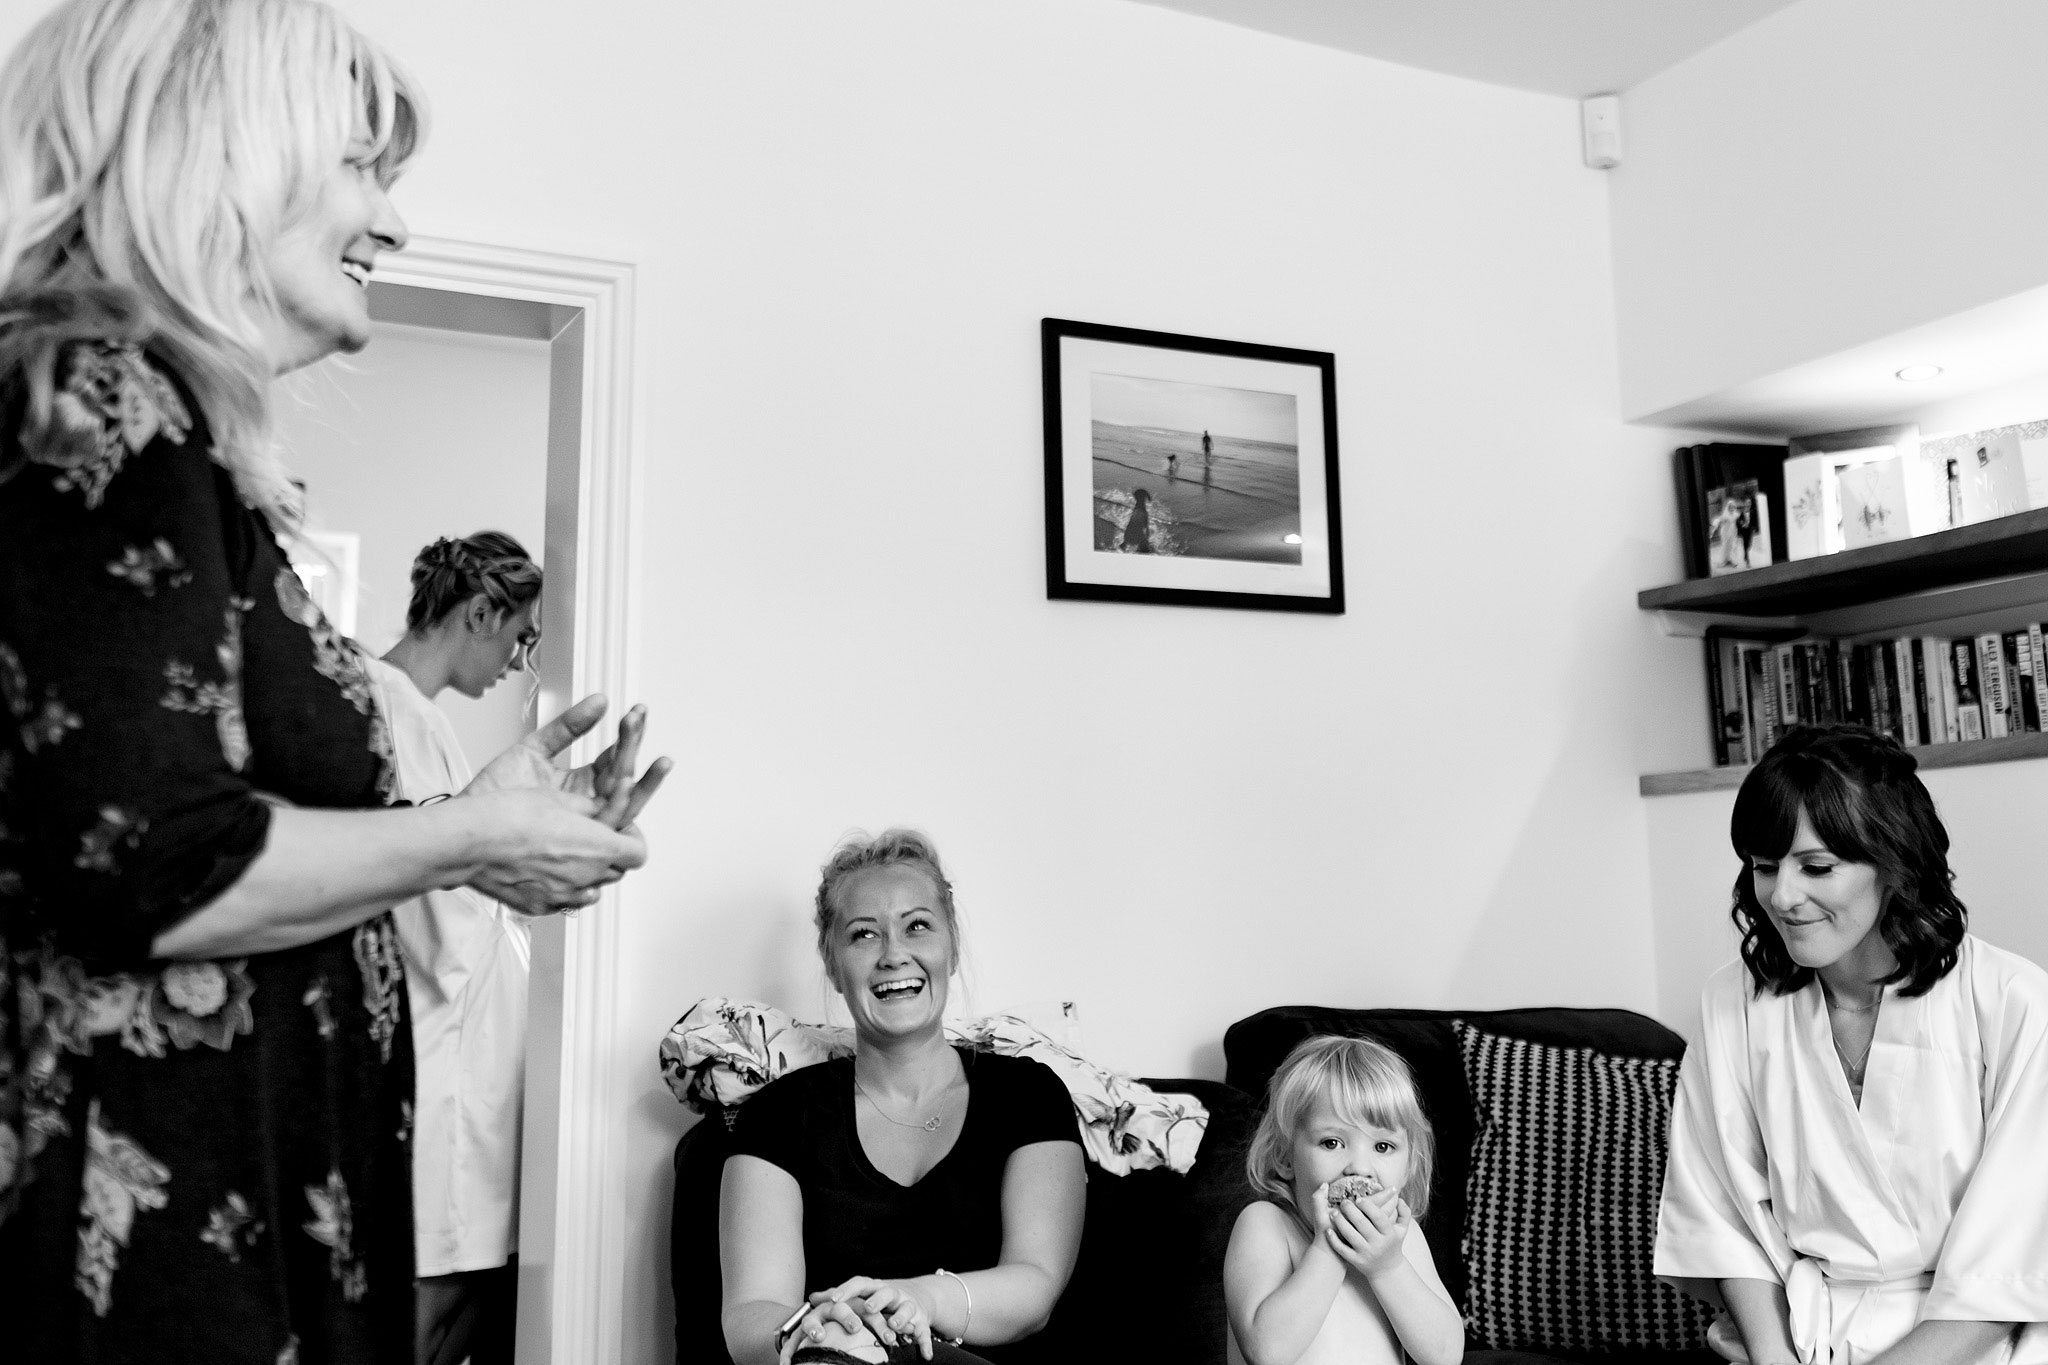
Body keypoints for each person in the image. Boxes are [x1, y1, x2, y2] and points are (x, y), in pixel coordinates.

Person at [0, 3, 668, 1360]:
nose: (395, 222)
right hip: (142, 1245)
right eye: (367, 168)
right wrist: (473, 833)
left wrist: (476, 821)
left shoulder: (183, 443)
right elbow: (151, 861)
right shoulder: (100, 399)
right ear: (228, 150)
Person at [1655, 724, 2048, 1365]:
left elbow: (2011, 1268)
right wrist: (1775, 1358)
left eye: (1816, 867)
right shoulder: (1732, 1003)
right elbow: (1720, 1215)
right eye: (1762, 866)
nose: (1781, 896)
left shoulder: (2015, 1003)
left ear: (1893, 865)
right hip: (1798, 1337)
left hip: (1980, 1347)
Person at [718, 830, 1085, 1365]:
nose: (894, 954)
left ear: (951, 947)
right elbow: (752, 1310)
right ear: (833, 966)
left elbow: (1034, 1288)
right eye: (863, 935)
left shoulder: (1027, 1095)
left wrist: (914, 1299)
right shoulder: (778, 1116)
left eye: (917, 926)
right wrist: (805, 1328)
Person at [365, 532, 546, 1365]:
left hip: (470, 1060)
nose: (518, 659)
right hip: (441, 1063)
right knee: (428, 1310)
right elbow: (431, 900)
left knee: (460, 1306)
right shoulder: (387, 708)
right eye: (521, 636)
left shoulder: (423, 718)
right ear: (481, 612)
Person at [1223, 1035, 1462, 1365]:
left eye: (1382, 1147)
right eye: (1332, 1143)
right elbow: (1267, 1353)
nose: (1359, 1167)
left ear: (1409, 1165)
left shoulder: (1401, 1243)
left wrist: (1388, 1268)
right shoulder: (1266, 1224)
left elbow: (1446, 1356)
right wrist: (1327, 1249)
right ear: (1284, 1156)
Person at [1121, 488, 1153, 554]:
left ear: (1136, 498)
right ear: (1144, 499)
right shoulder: (1142, 511)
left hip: (1130, 536)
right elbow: (1146, 526)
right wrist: (1147, 540)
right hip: (1137, 536)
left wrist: (1125, 541)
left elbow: (1130, 525)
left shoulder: (1137, 509)